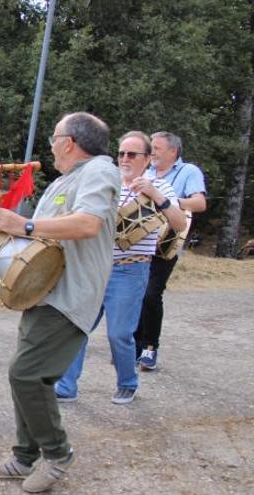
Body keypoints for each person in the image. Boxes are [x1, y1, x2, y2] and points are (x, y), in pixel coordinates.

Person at [0, 112, 119, 493]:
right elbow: (43, 238)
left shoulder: (100, 171)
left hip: (70, 296)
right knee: (25, 374)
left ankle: (57, 455)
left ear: (69, 141)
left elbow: (88, 224)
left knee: (26, 373)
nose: (52, 144)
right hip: (44, 292)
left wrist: (22, 225)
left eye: (55, 137)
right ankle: (24, 457)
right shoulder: (66, 180)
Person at [54, 131, 187, 405]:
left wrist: (154, 194)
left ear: (148, 159)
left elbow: (179, 223)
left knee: (119, 334)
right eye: (121, 153)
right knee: (76, 326)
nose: (124, 159)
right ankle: (67, 386)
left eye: (132, 154)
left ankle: (127, 382)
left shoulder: (160, 187)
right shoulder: (107, 183)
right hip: (95, 267)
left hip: (130, 270)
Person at [135, 131, 207, 370]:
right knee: (137, 294)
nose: (151, 152)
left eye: (156, 148)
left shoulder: (189, 172)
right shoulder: (145, 172)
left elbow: (200, 203)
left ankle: (149, 348)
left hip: (168, 242)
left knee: (152, 294)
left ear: (173, 151)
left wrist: (168, 200)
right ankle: (134, 347)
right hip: (140, 240)